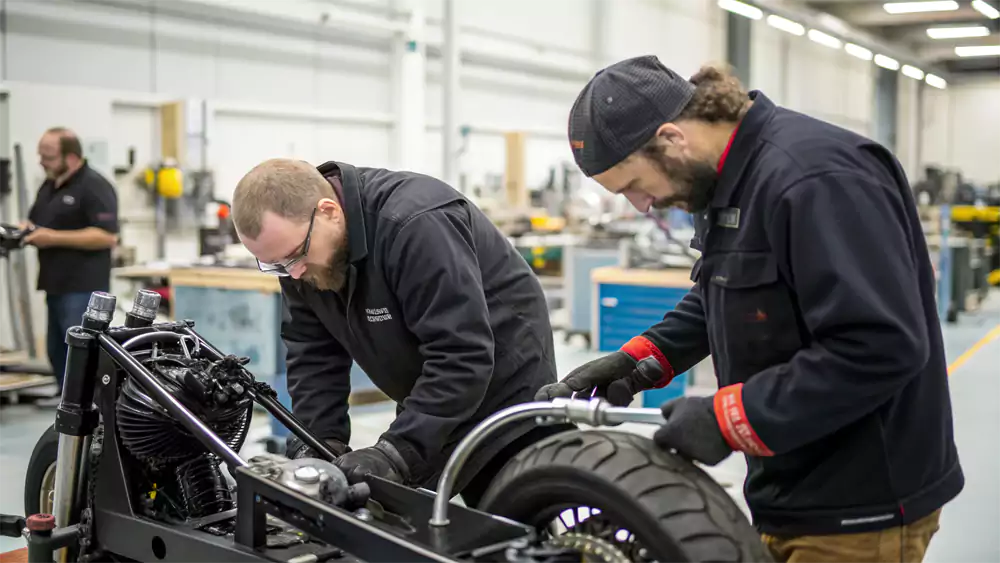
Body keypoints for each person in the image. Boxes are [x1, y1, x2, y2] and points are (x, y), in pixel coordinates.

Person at [537, 55, 962, 562]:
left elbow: (881, 345)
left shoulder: (816, 179)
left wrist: (727, 419)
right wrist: (642, 359)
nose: (640, 205)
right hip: (789, 484)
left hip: (860, 500)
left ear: (671, 138)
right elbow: (724, 291)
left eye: (632, 184)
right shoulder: (718, 182)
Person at [231, 158, 566, 507]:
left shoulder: (415, 224)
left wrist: (398, 451)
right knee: (398, 514)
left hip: (506, 388)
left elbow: (460, 355)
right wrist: (318, 442)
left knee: (507, 519)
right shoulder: (300, 260)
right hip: (432, 388)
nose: (294, 273)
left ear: (329, 210)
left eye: (295, 256)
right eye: (276, 266)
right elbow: (313, 353)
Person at [23, 127, 118, 408]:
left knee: (79, 346)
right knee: (56, 346)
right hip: (55, 282)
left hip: (83, 285)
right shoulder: (49, 185)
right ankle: (65, 394)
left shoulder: (95, 186)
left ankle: (82, 402)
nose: (42, 162)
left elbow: (107, 236)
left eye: (49, 156)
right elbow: (37, 223)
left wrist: (51, 237)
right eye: (41, 156)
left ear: (72, 157)